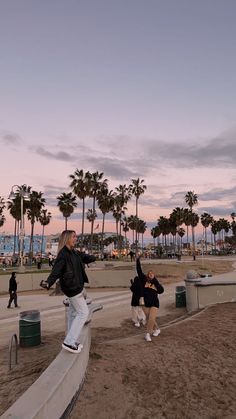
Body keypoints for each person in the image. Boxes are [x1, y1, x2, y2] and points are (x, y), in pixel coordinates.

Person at [40, 230, 96, 354]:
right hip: (72, 288)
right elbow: (56, 272)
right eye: (73, 237)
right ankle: (69, 342)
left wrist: (92, 257)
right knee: (83, 313)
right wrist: (48, 282)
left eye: (75, 236)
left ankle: (71, 339)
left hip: (76, 287)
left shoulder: (74, 252)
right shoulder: (63, 255)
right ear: (67, 239)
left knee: (72, 314)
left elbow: (85, 257)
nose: (75, 239)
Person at [136, 254, 164, 342]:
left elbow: (161, 290)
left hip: (155, 303)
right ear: (147, 275)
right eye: (149, 273)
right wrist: (137, 260)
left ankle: (147, 334)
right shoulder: (144, 280)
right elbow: (139, 270)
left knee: (151, 318)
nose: (151, 274)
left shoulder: (156, 283)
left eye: (152, 273)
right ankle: (157, 329)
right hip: (145, 303)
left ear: (154, 275)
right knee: (150, 318)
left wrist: (154, 280)